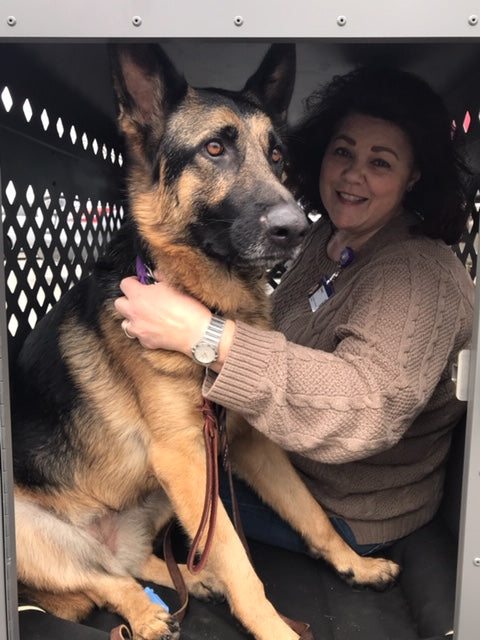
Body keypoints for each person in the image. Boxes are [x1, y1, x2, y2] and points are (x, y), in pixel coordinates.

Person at [114, 66, 475, 555]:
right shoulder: (329, 236)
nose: (353, 174)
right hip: (277, 454)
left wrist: (206, 335)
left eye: (381, 162)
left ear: (413, 176)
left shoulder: (417, 275)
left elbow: (368, 409)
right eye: (343, 151)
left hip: (346, 505)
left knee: (144, 480)